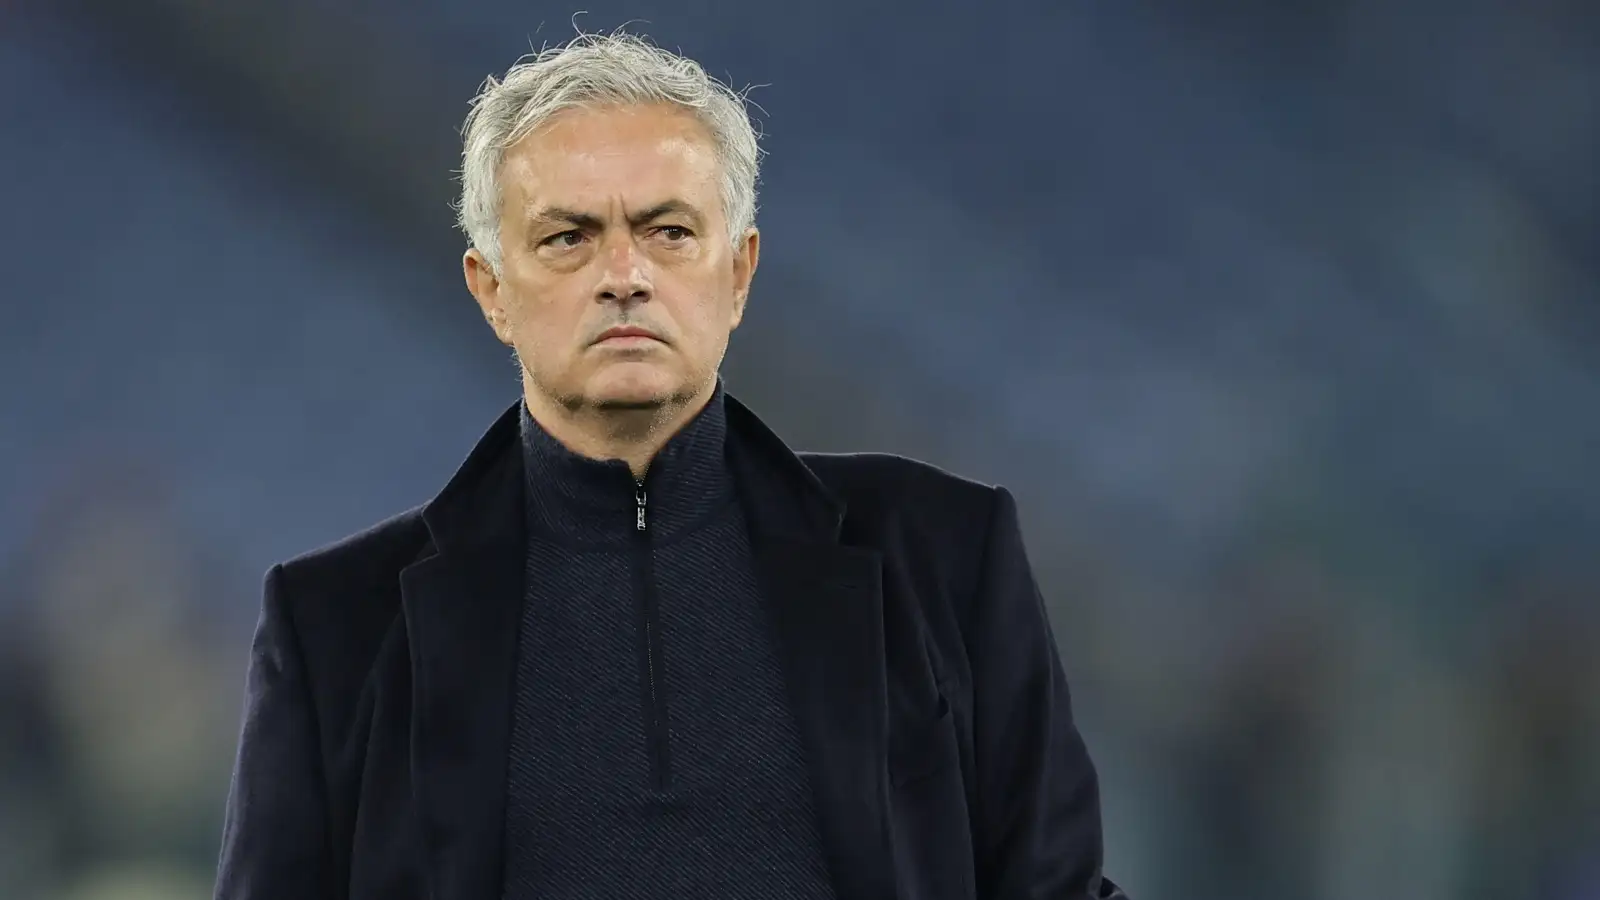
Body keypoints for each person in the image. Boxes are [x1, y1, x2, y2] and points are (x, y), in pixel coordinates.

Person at [213, 30, 1126, 900]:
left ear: (740, 272)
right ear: (489, 289)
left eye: (669, 231)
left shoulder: (946, 559)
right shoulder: (337, 629)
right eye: (568, 237)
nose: (625, 275)